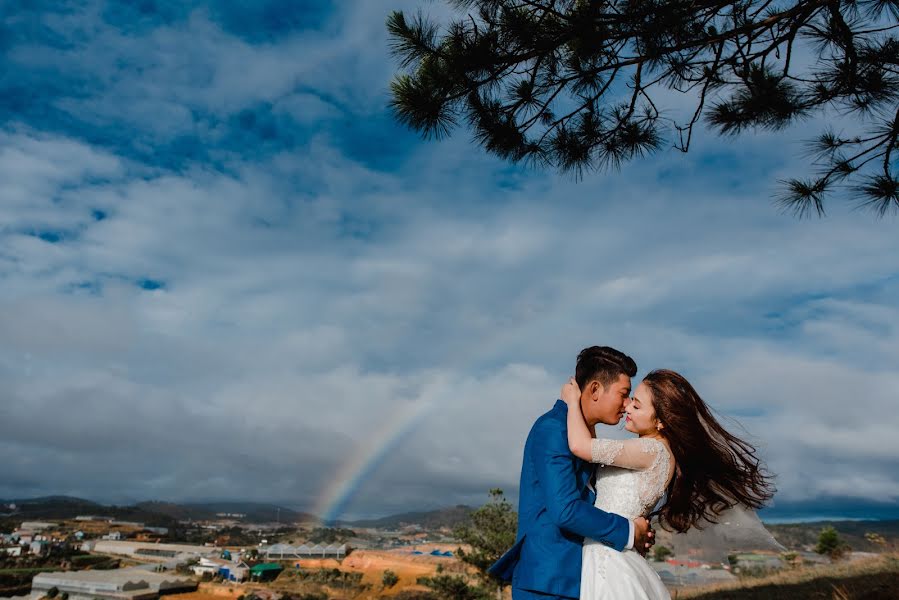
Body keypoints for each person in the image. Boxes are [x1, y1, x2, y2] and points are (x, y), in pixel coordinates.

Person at [560, 369, 775, 599]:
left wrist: (573, 402)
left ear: (661, 421)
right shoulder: (654, 450)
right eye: (632, 399)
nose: (627, 407)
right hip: (611, 549)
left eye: (637, 405)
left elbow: (581, 447)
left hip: (609, 558)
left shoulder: (651, 450)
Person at [489, 346, 655, 600]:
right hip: (549, 581)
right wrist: (629, 531)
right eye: (623, 394)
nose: (627, 405)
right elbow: (565, 509)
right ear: (595, 389)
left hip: (580, 577)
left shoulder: (583, 435)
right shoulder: (553, 429)